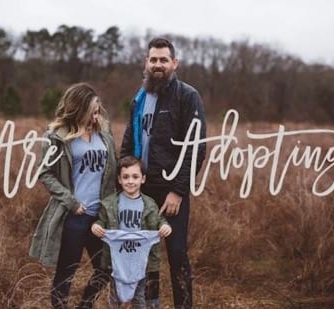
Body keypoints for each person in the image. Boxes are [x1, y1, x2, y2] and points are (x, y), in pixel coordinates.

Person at [120, 38, 207, 308]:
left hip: (171, 191)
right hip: (141, 191)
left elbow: (196, 148)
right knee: (145, 254)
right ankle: (149, 304)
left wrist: (178, 191)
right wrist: (125, 184)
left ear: (174, 63)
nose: (158, 65)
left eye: (163, 60)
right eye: (153, 59)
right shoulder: (140, 98)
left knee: (177, 254)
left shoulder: (187, 96)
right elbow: (127, 145)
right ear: (146, 63)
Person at [29, 83, 117, 309]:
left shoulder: (105, 135)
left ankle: (85, 305)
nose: (96, 116)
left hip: (101, 216)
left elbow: (112, 171)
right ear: (79, 109)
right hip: (75, 216)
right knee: (66, 272)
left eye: (98, 111)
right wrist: (71, 202)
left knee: (106, 268)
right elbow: (45, 173)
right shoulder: (57, 137)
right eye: (92, 112)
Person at [91, 156, 172, 309]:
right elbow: (101, 221)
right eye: (126, 177)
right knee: (114, 298)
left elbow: (159, 221)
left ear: (143, 179)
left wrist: (164, 226)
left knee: (139, 298)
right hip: (117, 261)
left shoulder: (149, 204)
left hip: (140, 261)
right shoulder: (110, 203)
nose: (130, 181)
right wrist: (96, 226)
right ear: (119, 180)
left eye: (135, 177)